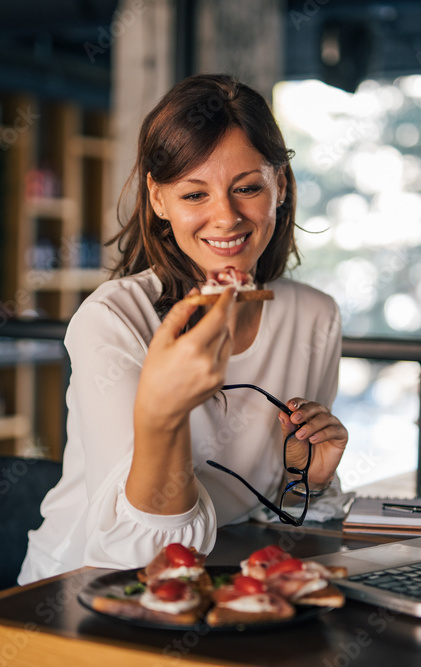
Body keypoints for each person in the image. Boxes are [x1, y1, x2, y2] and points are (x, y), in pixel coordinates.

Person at [18, 74, 348, 583]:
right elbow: (138, 556)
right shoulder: (113, 320)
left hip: (218, 579)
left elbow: (268, 507)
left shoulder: (315, 316)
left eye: (248, 188)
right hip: (84, 584)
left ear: (279, 186)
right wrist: (162, 412)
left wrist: (308, 479)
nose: (226, 217)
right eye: (195, 195)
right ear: (158, 199)